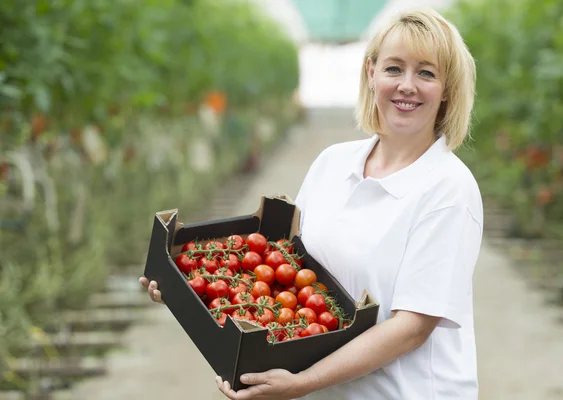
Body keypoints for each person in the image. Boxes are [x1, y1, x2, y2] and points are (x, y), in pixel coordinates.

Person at [140, 7, 481, 400]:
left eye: (426, 72)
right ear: (371, 74)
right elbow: (282, 269)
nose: (407, 85)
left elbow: (412, 328)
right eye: (393, 69)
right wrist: (190, 292)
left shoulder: (448, 190)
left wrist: (303, 382)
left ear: (448, 89)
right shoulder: (332, 164)